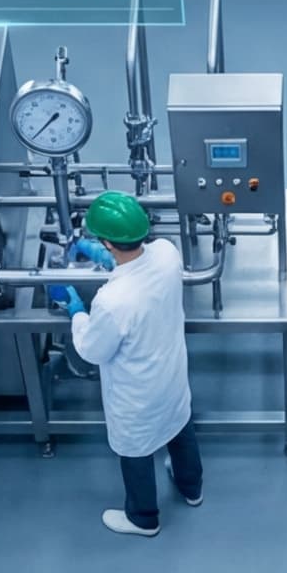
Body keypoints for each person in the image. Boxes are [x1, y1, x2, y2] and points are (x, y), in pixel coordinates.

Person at [56, 190, 201, 538]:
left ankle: (143, 518)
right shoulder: (167, 252)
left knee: (135, 451)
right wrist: (109, 260)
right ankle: (191, 489)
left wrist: (76, 311)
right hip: (171, 373)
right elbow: (141, 270)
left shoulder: (111, 301)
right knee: (180, 427)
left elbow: (93, 350)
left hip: (137, 393)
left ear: (106, 241)